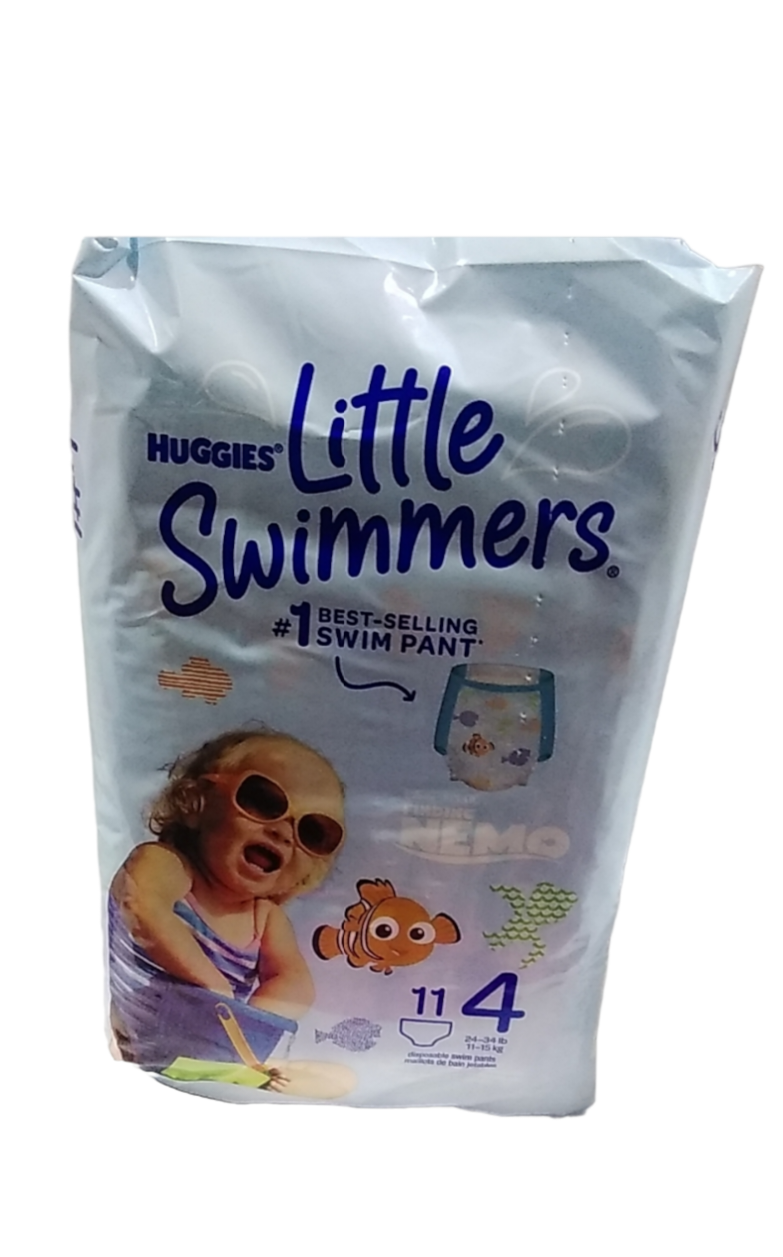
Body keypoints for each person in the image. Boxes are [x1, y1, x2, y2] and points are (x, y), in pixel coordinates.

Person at [109, 728, 355, 1098]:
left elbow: (293, 979)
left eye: (314, 832)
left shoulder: (264, 918)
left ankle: (242, 1073)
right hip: (141, 1034)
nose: (284, 832)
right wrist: (215, 988)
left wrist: (251, 1023)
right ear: (197, 801)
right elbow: (142, 905)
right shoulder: (169, 866)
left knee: (343, 1079)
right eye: (263, 801)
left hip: (208, 1046)